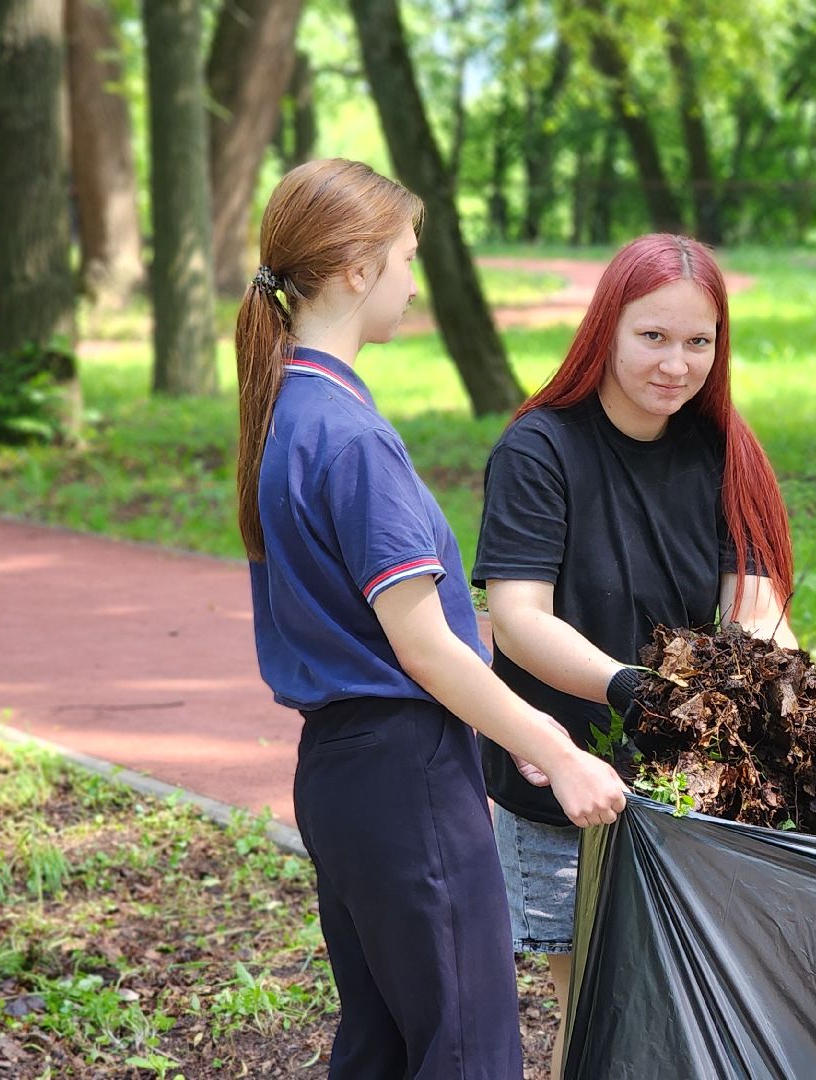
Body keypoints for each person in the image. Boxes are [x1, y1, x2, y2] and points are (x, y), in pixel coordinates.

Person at [235, 158, 625, 1080]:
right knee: (465, 1049)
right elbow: (422, 647)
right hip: (405, 775)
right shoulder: (350, 435)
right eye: (407, 258)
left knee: (382, 1043)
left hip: (343, 775)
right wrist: (559, 749)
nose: (414, 282)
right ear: (359, 270)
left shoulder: (287, 409)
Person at [472, 233, 797, 1077]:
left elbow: (755, 616)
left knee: (677, 1014)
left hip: (686, 789)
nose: (676, 364)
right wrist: (631, 687)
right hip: (564, 784)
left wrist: (798, 704)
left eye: (699, 342)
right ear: (605, 330)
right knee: (600, 1021)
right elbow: (516, 617)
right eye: (653, 336)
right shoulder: (539, 450)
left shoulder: (725, 452)